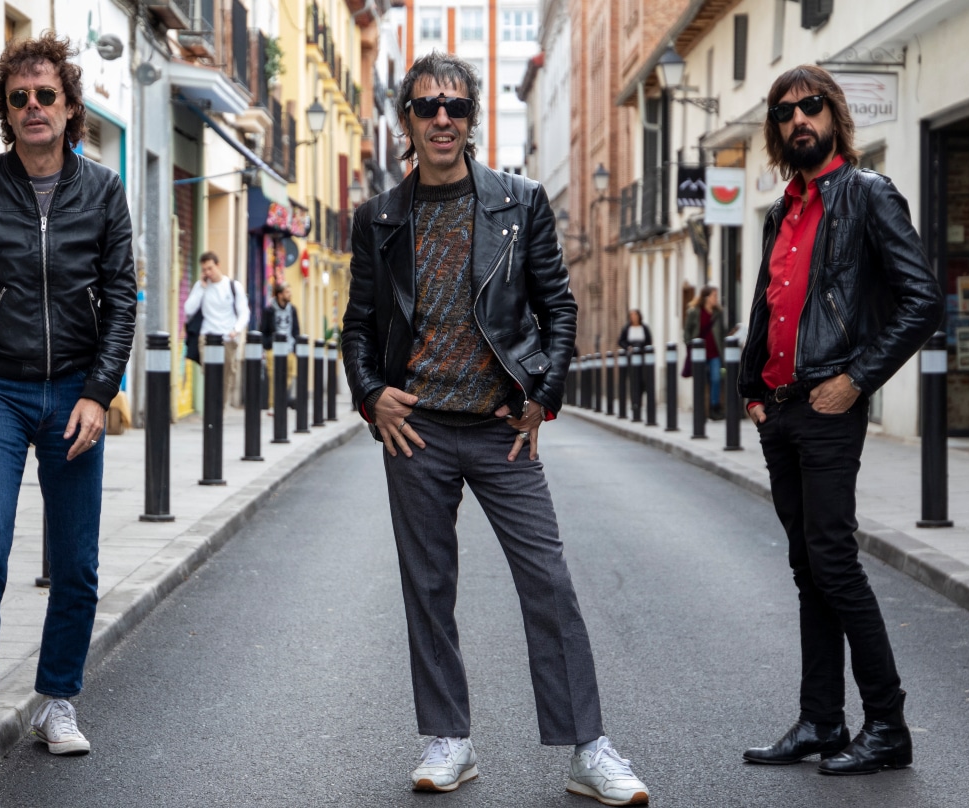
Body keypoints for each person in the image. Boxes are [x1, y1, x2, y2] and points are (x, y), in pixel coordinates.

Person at [341, 52, 648, 806]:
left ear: (474, 117)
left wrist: (542, 396)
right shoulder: (379, 218)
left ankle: (589, 749)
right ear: (407, 121)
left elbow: (557, 306)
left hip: (500, 427)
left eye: (456, 106)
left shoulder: (521, 201)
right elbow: (357, 326)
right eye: (426, 107)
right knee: (428, 587)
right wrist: (372, 396)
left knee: (548, 580)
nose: (442, 119)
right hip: (416, 431)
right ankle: (448, 739)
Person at [0, 34, 136, 766]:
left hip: (75, 392)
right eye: (19, 97)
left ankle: (56, 700)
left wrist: (99, 393)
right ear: (5, 110)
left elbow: (121, 300)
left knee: (76, 559)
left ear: (71, 107)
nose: (34, 107)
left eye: (47, 95)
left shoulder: (103, 190)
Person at [738, 65, 940, 775]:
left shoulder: (868, 194)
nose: (800, 119)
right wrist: (750, 389)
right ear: (776, 129)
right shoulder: (781, 211)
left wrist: (856, 381)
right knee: (808, 568)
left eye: (812, 106)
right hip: (781, 413)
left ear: (835, 115)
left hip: (829, 407)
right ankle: (822, 719)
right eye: (786, 111)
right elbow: (768, 304)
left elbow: (923, 301)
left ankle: (887, 724)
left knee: (832, 561)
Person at [185, 251, 250, 407]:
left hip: (227, 337)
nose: (208, 272)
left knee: (225, 378)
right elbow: (188, 309)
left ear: (218, 265)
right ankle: (210, 410)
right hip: (206, 337)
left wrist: (236, 329)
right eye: (204, 269)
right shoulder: (201, 286)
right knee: (210, 375)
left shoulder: (233, 286)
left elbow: (244, 312)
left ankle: (219, 410)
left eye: (210, 268)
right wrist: (201, 288)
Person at [682, 286, 726, 419]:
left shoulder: (718, 313)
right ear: (707, 297)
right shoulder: (695, 312)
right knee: (700, 381)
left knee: (716, 379)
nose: (716, 298)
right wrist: (690, 344)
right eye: (714, 296)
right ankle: (700, 410)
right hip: (699, 354)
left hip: (715, 353)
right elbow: (687, 331)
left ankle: (714, 408)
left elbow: (722, 332)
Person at [259, 282, 300, 407]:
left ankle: (281, 401)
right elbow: (263, 330)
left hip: (289, 348)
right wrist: (268, 346)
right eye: (287, 292)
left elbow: (296, 330)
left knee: (289, 375)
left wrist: (295, 347)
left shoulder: (292, 310)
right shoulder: (269, 310)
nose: (290, 294)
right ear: (280, 294)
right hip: (273, 349)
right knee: (273, 377)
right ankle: (273, 405)